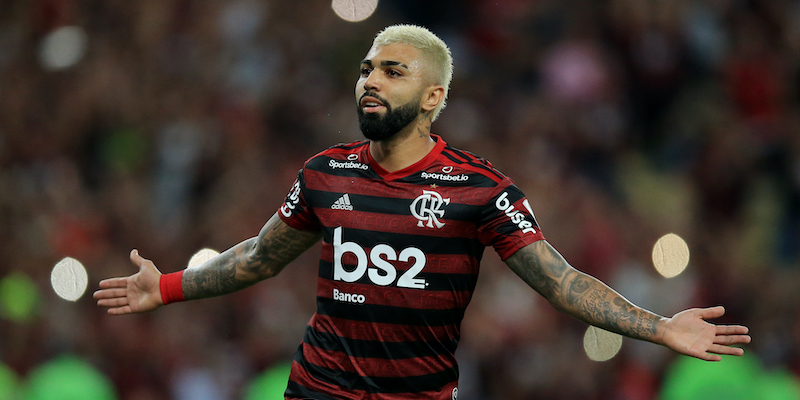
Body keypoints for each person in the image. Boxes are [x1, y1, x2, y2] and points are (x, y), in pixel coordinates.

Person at [94, 24, 751, 400]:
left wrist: (659, 327)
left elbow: (563, 282)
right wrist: (169, 286)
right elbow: (260, 257)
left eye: (393, 72)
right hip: (318, 389)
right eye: (366, 69)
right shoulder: (325, 172)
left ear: (433, 97)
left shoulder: (480, 189)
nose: (371, 81)